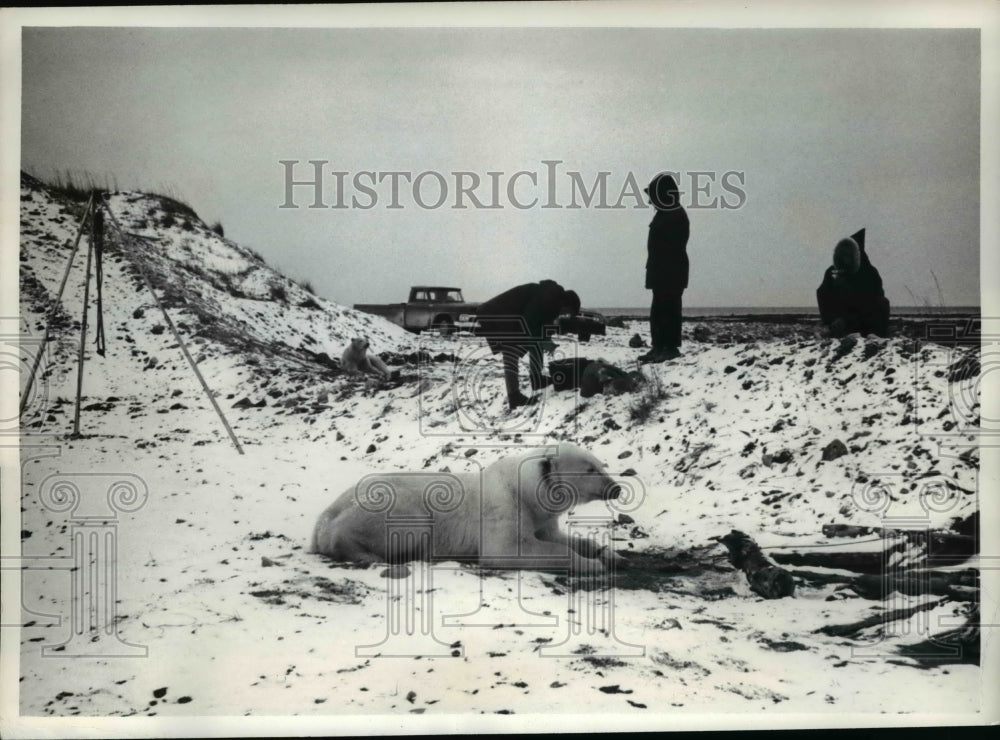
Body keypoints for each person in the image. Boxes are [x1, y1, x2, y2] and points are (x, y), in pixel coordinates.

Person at [474, 280, 581, 409]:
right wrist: (545, 342)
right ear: (565, 302)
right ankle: (514, 397)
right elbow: (529, 323)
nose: (564, 315)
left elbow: (541, 327)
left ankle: (537, 378)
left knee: (535, 341)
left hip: (510, 317)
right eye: (567, 312)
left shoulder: (552, 299)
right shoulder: (547, 296)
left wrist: (547, 341)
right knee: (511, 352)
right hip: (497, 316)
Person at [640, 173, 689, 363]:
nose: (651, 201)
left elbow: (672, 247)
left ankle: (670, 347)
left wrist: (660, 268)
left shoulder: (676, 214)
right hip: (660, 270)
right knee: (658, 309)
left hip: (671, 271)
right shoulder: (665, 213)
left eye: (653, 196)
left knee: (670, 308)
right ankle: (658, 346)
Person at [816, 228, 890, 337]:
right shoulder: (832, 272)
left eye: (849, 254)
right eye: (843, 254)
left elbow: (877, 300)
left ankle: (873, 334)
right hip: (841, 319)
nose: (846, 258)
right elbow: (822, 294)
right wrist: (831, 320)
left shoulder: (870, 272)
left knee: (882, 303)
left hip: (864, 319)